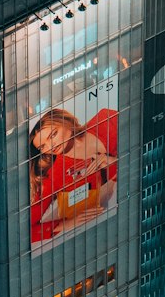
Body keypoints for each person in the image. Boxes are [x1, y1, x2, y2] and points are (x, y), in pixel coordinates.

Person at [28, 103, 119, 242]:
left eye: (53, 134)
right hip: (100, 229)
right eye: (42, 146)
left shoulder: (107, 118)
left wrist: (116, 161)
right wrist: (66, 224)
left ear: (66, 121)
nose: (51, 147)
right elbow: (25, 230)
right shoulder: (53, 175)